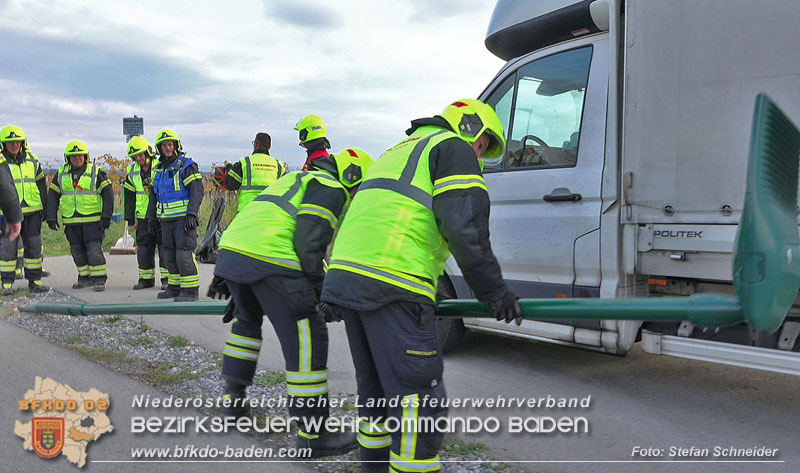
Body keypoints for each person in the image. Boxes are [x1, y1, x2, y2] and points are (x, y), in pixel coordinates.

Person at [321, 99, 523, 473]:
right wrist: (494, 292)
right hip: (393, 281)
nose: (479, 156)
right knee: (419, 401)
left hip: (348, 276)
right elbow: (465, 228)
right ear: (469, 129)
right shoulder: (453, 147)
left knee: (376, 395)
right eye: (481, 146)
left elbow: (395, 219)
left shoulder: (397, 150)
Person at [207, 147, 374, 457]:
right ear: (353, 177)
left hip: (234, 251)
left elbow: (264, 220)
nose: (355, 196)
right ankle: (314, 435)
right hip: (272, 258)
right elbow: (309, 245)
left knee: (246, 324)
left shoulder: (296, 178)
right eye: (360, 188)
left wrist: (235, 276)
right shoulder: (331, 186)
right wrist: (322, 295)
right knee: (308, 334)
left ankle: (233, 403)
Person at [46, 140, 113, 291]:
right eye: (73, 156)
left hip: (93, 222)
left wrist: (106, 215)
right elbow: (53, 196)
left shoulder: (95, 172)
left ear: (85, 156)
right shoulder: (61, 174)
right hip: (71, 222)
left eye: (80, 155)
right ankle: (84, 277)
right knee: (76, 251)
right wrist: (51, 217)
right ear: (68, 158)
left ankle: (99, 279)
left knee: (93, 250)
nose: (77, 158)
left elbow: (108, 194)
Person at [146, 129, 202, 301]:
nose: (167, 148)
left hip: (183, 220)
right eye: (164, 146)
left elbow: (197, 191)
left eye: (170, 144)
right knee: (168, 255)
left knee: (183, 254)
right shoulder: (158, 170)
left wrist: (192, 214)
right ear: (159, 148)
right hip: (165, 220)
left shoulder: (186, 166)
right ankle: (175, 287)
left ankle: (191, 290)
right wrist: (151, 218)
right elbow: (153, 196)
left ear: (176, 145)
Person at [0, 125, 47, 295]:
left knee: (34, 247)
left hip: (32, 211)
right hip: (7, 214)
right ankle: (6, 284)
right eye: (10, 142)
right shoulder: (1, 161)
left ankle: (35, 281)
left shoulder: (33, 160)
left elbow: (41, 184)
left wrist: (46, 208)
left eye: (17, 142)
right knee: (7, 248)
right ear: (3, 144)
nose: (14, 145)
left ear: (23, 143)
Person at [123, 136, 168, 290]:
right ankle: (146, 279)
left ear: (148, 152)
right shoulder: (132, 171)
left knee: (164, 248)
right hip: (142, 217)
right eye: (135, 156)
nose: (138, 158)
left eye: (140, 155)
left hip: (161, 215)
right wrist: (130, 218)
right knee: (144, 249)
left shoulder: (161, 165)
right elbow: (129, 195)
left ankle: (167, 279)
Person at [224, 132, 284, 212]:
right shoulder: (279, 165)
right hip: (271, 212)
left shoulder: (246, 162)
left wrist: (229, 167)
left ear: (256, 145)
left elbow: (230, 184)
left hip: (247, 211)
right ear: (269, 147)